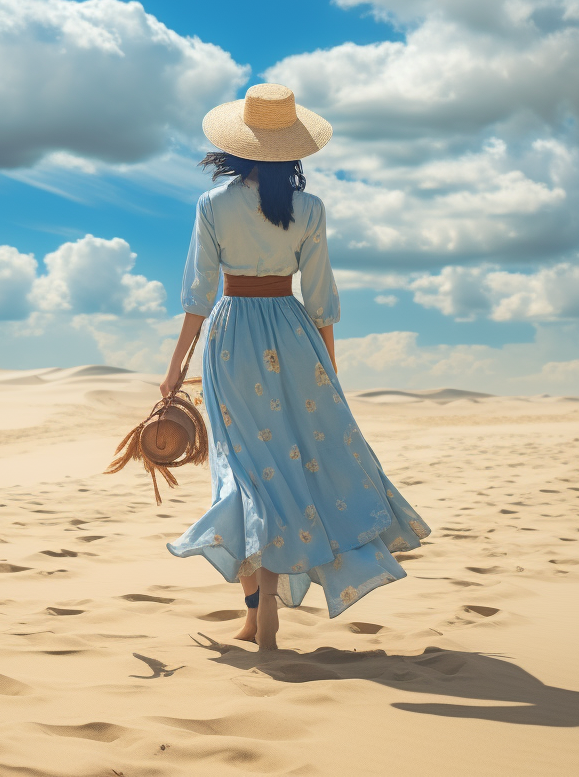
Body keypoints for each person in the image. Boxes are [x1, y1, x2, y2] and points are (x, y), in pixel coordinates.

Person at [163, 83, 430, 650]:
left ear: (237, 146)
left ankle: (259, 613)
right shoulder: (309, 209)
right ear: (294, 149)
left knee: (245, 472)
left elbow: (197, 295)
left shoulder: (213, 206)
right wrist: (326, 370)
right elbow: (322, 298)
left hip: (231, 336)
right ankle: (262, 613)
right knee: (290, 467)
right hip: (293, 336)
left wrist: (173, 369)